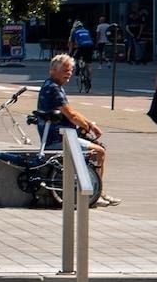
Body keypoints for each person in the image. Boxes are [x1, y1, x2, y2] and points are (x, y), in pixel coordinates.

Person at [38, 53, 109, 187]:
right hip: (59, 139)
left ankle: (93, 185)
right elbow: (72, 116)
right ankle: (96, 190)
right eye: (65, 70)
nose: (69, 73)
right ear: (53, 70)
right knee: (99, 152)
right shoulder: (53, 88)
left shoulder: (51, 85)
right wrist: (89, 127)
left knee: (94, 145)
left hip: (59, 135)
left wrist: (88, 124)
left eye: (70, 70)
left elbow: (71, 111)